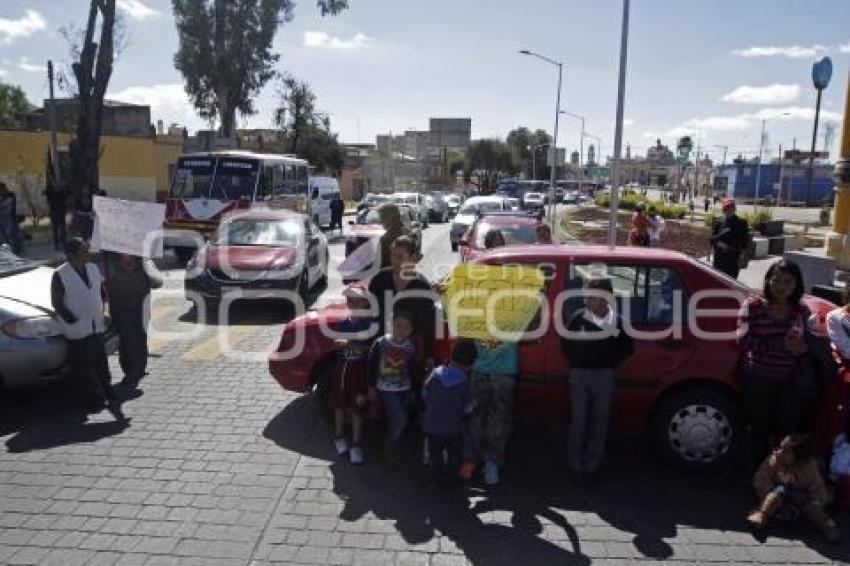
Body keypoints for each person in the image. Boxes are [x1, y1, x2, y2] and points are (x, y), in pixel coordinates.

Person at [561, 277, 634, 484]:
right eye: (586, 298)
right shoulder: (578, 318)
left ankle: (591, 466)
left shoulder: (617, 322)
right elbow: (565, 344)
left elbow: (627, 349)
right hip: (579, 376)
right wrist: (575, 364)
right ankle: (575, 466)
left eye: (592, 298)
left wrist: (609, 363)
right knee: (579, 420)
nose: (587, 302)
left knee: (599, 421)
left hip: (604, 376)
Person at [738, 259, 809, 465]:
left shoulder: (800, 311)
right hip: (759, 377)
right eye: (776, 280)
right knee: (759, 428)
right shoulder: (753, 305)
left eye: (788, 282)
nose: (781, 287)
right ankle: (756, 472)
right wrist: (778, 345)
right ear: (768, 280)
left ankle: (779, 474)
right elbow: (742, 339)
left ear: (796, 285)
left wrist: (803, 349)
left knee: (784, 430)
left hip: (789, 379)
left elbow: (807, 340)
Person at [51, 238, 125, 421]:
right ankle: (94, 400)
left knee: (101, 362)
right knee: (85, 366)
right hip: (77, 329)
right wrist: (72, 320)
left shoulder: (92, 268)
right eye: (85, 250)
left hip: (96, 324)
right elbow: (57, 302)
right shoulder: (60, 274)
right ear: (74, 254)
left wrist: (105, 310)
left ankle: (108, 392)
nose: (89, 252)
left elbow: (102, 292)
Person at [747, 434, 840, 542]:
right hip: (775, 498)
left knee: (802, 497)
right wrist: (768, 494)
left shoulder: (809, 469)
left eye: (786, 451)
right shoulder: (774, 460)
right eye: (780, 447)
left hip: (801, 503)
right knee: (782, 489)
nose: (780, 452)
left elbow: (820, 492)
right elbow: (760, 480)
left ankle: (827, 525)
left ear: (797, 457)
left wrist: (812, 503)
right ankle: (761, 515)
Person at [368, 235, 436, 373]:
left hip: (410, 354)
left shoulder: (422, 287)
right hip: (381, 348)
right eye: (393, 256)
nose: (394, 261)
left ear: (413, 258)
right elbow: (370, 314)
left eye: (400, 256)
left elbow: (427, 326)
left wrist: (429, 355)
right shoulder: (379, 280)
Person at [330, 285, 377, 465]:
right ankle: (339, 435)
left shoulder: (370, 323)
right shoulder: (345, 322)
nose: (352, 303)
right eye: (349, 299)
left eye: (356, 299)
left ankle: (356, 443)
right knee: (339, 405)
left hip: (360, 371)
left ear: (366, 302)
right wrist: (346, 343)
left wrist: (350, 343)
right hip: (343, 370)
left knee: (357, 406)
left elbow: (371, 347)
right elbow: (335, 343)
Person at [101, 252, 162, 390]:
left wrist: (148, 268)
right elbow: (103, 283)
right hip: (120, 306)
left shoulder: (142, 259)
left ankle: (140, 368)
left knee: (140, 336)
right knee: (126, 341)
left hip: (141, 305)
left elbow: (158, 282)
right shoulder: (109, 258)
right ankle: (130, 373)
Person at [422, 340, 477, 486]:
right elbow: (468, 407)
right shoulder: (464, 382)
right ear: (470, 365)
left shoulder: (435, 373)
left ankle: (435, 477)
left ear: (451, 356)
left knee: (435, 454)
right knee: (454, 453)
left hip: (432, 425)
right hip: (453, 427)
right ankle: (451, 477)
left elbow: (425, 394)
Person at [368, 310, 417, 464]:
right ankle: (387, 446)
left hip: (405, 388)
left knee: (397, 420)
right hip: (386, 389)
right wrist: (371, 387)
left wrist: (414, 389)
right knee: (400, 420)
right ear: (391, 325)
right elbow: (371, 366)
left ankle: (389, 445)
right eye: (398, 326)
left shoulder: (410, 346)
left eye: (406, 327)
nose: (402, 330)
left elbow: (412, 369)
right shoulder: (381, 343)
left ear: (411, 329)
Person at [710, 198, 749, 279]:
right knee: (718, 282)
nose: (728, 210)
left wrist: (743, 255)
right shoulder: (719, 222)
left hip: (733, 259)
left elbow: (745, 241)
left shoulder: (742, 223)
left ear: (734, 209)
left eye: (730, 208)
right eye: (726, 208)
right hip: (719, 260)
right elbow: (712, 239)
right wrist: (721, 245)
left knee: (731, 284)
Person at [377, 203, 409, 268]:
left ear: (390, 217)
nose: (380, 221)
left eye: (382, 217)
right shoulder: (403, 230)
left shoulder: (395, 235)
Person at [45, 181, 68, 251]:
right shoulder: (51, 194)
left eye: (58, 186)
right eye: (55, 185)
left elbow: (69, 192)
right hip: (54, 214)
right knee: (55, 230)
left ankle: (63, 243)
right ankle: (57, 244)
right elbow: (47, 195)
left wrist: (64, 186)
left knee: (62, 230)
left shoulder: (62, 193)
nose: (57, 187)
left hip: (61, 214)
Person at [0, 182, 16, 250]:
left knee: (9, 235)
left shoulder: (10, 196)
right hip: (3, 218)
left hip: (8, 218)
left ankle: (12, 249)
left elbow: (9, 204)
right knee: (4, 236)